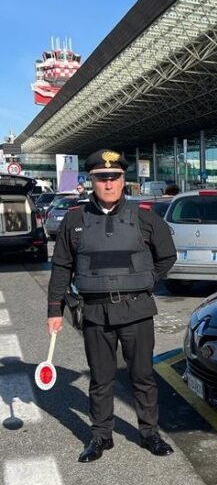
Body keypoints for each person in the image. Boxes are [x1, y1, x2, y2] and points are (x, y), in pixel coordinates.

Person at [46, 149, 177, 463]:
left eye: (114, 177)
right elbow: (62, 266)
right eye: (101, 178)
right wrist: (55, 309)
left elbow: (168, 256)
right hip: (95, 313)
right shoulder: (75, 220)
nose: (108, 184)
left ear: (123, 180)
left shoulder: (145, 217)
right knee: (100, 379)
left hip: (137, 311)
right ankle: (100, 437)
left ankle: (149, 434)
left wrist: (147, 281)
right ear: (91, 180)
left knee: (143, 376)